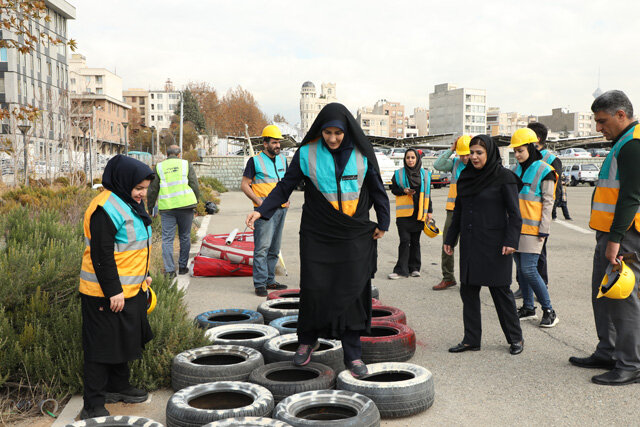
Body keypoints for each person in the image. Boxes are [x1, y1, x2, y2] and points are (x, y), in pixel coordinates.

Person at [245, 103, 390, 378]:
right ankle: (307, 341)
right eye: (327, 133)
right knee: (315, 286)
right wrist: (261, 210)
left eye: (337, 133)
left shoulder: (362, 154)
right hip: (318, 233)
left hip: (351, 233)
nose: (332, 139)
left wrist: (383, 221)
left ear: (346, 131)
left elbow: (377, 188)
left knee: (354, 290)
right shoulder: (307, 153)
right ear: (320, 131)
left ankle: (353, 353)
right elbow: (284, 187)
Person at [569, 90, 640, 386]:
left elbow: (631, 196)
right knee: (605, 296)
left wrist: (615, 239)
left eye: (601, 121)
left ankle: (630, 364)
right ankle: (608, 350)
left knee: (623, 299)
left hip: (624, 235)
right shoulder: (622, 141)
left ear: (621, 115)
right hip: (610, 233)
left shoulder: (633, 144)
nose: (598, 128)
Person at [78, 155, 154, 419]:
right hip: (104, 293)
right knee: (100, 348)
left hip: (131, 289)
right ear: (123, 182)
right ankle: (93, 405)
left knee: (123, 340)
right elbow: (102, 255)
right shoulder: (105, 208)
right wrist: (113, 291)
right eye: (139, 188)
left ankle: (118, 386)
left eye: (145, 188)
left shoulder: (127, 203)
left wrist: (144, 275)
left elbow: (134, 246)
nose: (143, 194)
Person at [444, 135, 524, 355]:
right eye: (472, 152)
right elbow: (458, 211)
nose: (474, 157)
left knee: (500, 291)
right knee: (468, 290)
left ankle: (515, 338)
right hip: (471, 243)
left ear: (489, 153)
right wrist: (450, 238)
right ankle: (471, 339)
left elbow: (515, 215)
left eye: (479, 152)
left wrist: (511, 241)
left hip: (496, 244)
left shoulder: (504, 178)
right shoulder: (465, 177)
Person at [509, 128, 559, 328]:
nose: (518, 155)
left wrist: (544, 228)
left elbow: (548, 202)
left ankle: (549, 310)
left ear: (530, 147)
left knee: (529, 269)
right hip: (515, 228)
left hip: (534, 229)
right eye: (515, 152)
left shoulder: (545, 170)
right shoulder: (515, 170)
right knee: (521, 270)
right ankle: (528, 308)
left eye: (521, 150)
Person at [241, 125, 290, 296]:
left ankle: (270, 280)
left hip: (282, 209)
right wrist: (258, 202)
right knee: (262, 248)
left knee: (274, 248)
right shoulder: (254, 161)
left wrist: (287, 197)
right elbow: (244, 185)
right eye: (274, 142)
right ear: (265, 143)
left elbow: (287, 182)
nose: (278, 146)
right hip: (263, 211)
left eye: (279, 143)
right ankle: (260, 283)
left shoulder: (283, 160)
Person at [146, 145, 201, 279]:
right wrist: (196, 202)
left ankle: (170, 271)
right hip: (186, 206)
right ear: (178, 155)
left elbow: (152, 190)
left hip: (167, 208)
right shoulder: (185, 164)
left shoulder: (159, 167)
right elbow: (194, 184)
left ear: (167, 154)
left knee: (167, 240)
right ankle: (182, 267)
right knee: (185, 236)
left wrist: (150, 207)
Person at [432, 135, 471, 290]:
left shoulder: (478, 165)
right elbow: (438, 164)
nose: (465, 157)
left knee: (470, 246)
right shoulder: (455, 163)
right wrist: (451, 150)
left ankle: (470, 279)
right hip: (453, 210)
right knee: (448, 243)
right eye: (462, 154)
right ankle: (448, 277)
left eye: (467, 154)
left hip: (471, 210)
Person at [388, 148, 433, 279]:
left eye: (413, 157)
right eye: (408, 157)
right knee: (404, 240)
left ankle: (414, 267)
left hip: (419, 213)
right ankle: (400, 270)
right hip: (404, 214)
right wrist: (403, 191)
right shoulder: (398, 174)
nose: (410, 160)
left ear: (417, 159)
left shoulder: (425, 174)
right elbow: (393, 190)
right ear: (404, 159)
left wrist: (429, 211)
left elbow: (428, 194)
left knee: (415, 241)